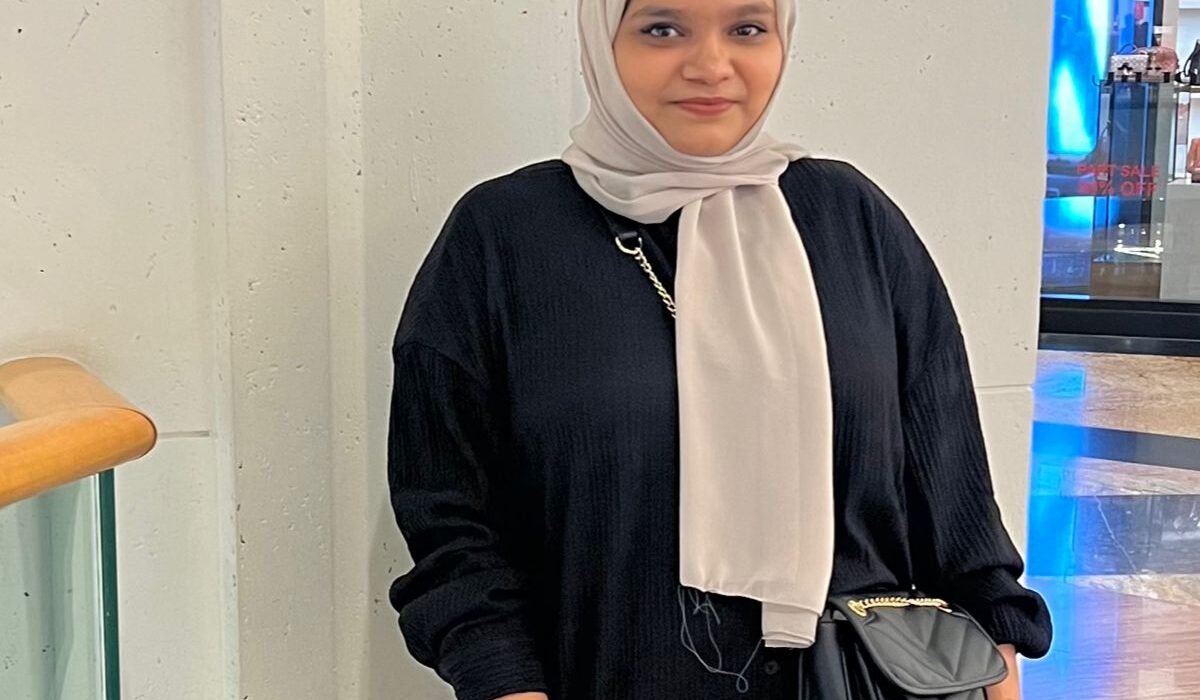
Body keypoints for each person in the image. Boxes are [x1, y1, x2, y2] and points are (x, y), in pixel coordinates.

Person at [386, 0, 1053, 699]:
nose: (711, 65)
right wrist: (505, 683)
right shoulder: (503, 239)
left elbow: (953, 488)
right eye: (662, 29)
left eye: (747, 29)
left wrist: (996, 664)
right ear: (602, 40)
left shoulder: (852, 220)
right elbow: (451, 520)